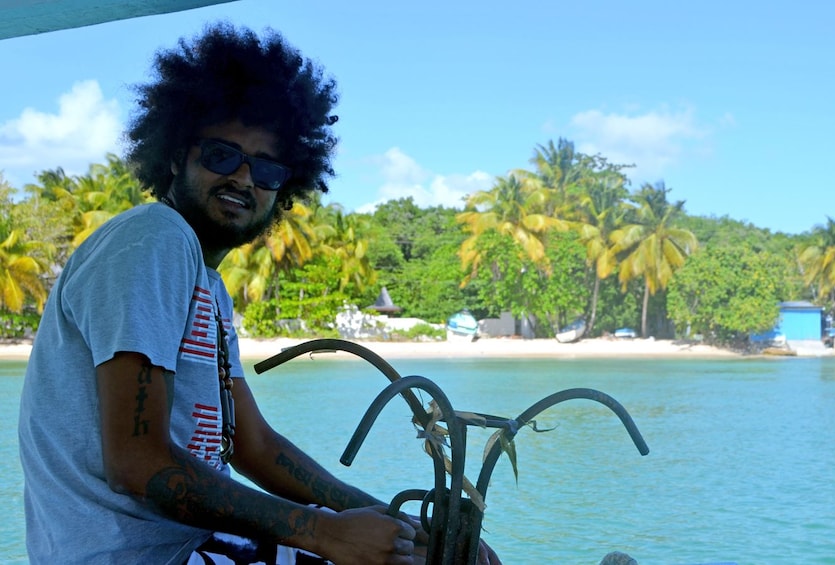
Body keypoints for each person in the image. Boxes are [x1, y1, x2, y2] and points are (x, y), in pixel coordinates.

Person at [18, 22, 501, 565]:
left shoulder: (207, 284)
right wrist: (322, 533)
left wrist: (405, 527)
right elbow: (136, 461)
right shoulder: (154, 239)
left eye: (267, 168)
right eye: (223, 156)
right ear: (176, 155)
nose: (245, 179)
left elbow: (254, 447)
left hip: (195, 545)